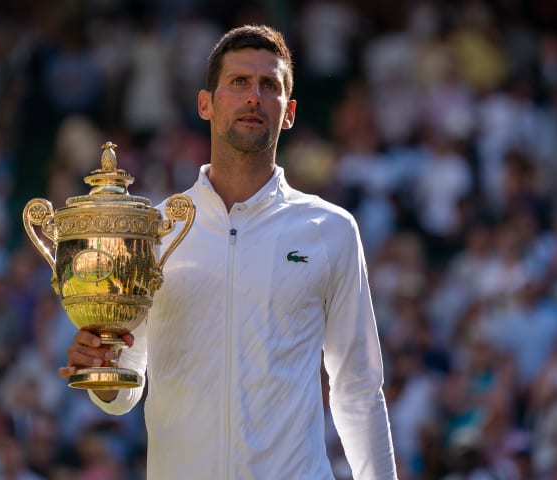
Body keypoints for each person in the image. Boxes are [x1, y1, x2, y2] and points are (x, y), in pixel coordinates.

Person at [59, 24, 397, 479]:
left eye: (269, 85)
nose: (253, 96)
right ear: (206, 103)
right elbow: (125, 389)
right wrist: (102, 371)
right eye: (238, 82)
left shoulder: (331, 230)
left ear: (290, 111)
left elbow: (358, 388)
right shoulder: (153, 232)